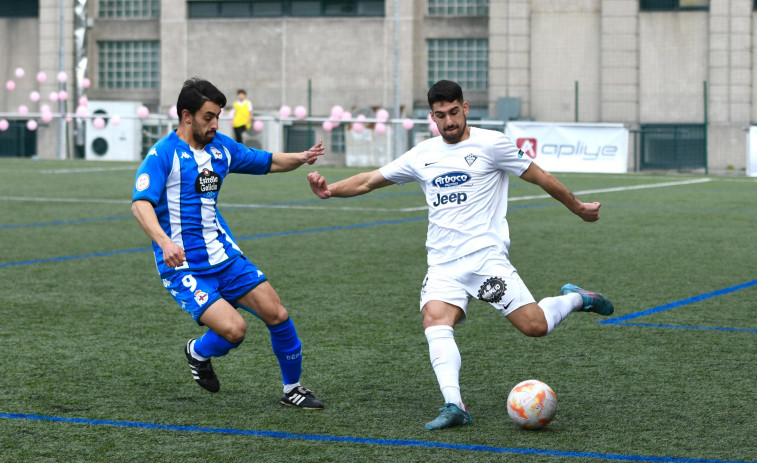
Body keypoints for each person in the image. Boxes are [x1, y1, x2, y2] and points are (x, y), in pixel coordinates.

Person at [307, 80, 614, 429]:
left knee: (535, 327)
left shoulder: (492, 144)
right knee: (435, 321)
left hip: (485, 259)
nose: (449, 121)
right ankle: (455, 405)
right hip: (442, 263)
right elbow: (368, 181)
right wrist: (330, 190)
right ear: (432, 117)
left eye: (454, 112)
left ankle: (575, 299)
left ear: (465, 108)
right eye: (441, 116)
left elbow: (540, 177)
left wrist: (577, 207)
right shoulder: (423, 154)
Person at [132, 77, 324, 409]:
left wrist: (302, 157)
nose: (215, 124)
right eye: (209, 117)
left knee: (277, 313)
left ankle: (292, 388)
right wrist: (164, 243)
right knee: (234, 331)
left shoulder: (222, 148)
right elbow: (140, 204)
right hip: (184, 266)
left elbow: (268, 161)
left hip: (225, 257)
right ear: (186, 115)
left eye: (219, 116)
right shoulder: (162, 154)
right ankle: (197, 352)